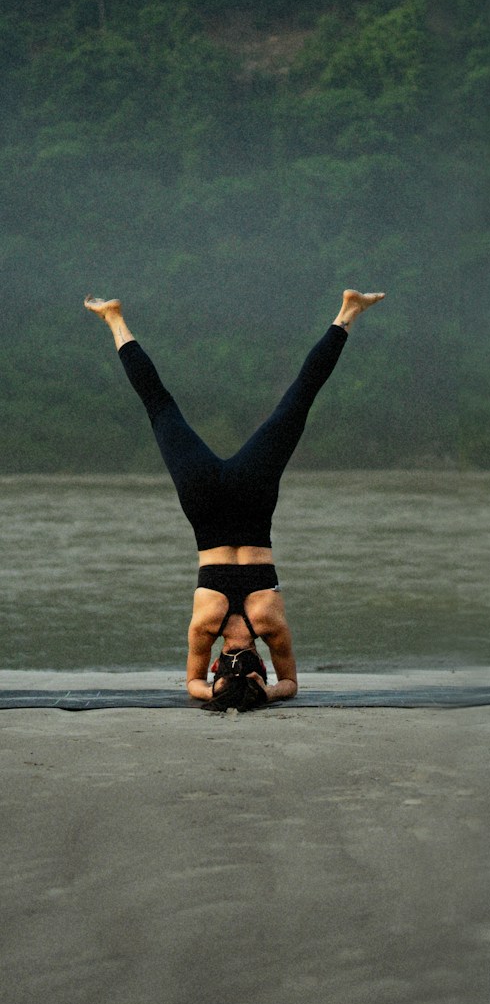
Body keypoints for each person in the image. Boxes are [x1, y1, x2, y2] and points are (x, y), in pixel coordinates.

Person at [85, 290, 385, 705]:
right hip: (205, 503)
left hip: (251, 498)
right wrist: (213, 691)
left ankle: (348, 311)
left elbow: (292, 685)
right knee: (159, 406)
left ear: (259, 666)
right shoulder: (205, 625)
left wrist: (268, 691)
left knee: (299, 399)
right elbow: (193, 685)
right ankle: (114, 319)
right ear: (216, 666)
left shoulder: (270, 622)